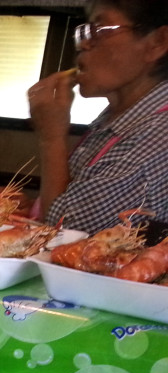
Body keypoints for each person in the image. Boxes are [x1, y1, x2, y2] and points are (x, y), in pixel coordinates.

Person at [28, 0, 168, 235]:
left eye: (99, 30)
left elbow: (65, 237)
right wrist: (33, 208)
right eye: (84, 31)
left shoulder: (159, 135)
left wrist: (51, 138)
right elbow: (70, 200)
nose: (83, 43)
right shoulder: (120, 121)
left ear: (157, 43)